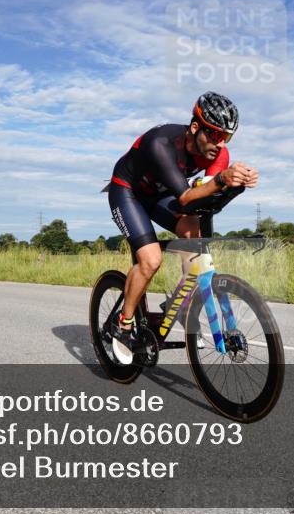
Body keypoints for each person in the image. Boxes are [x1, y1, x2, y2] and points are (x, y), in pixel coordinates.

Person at [106, 92, 258, 363]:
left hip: (160, 194)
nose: (219, 144)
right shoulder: (160, 144)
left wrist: (236, 183)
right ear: (195, 127)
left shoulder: (218, 153)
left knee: (193, 235)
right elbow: (187, 197)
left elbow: (206, 191)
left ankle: (183, 303)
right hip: (128, 191)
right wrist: (223, 178)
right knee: (151, 260)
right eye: (214, 135)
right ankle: (124, 324)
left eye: (226, 137)